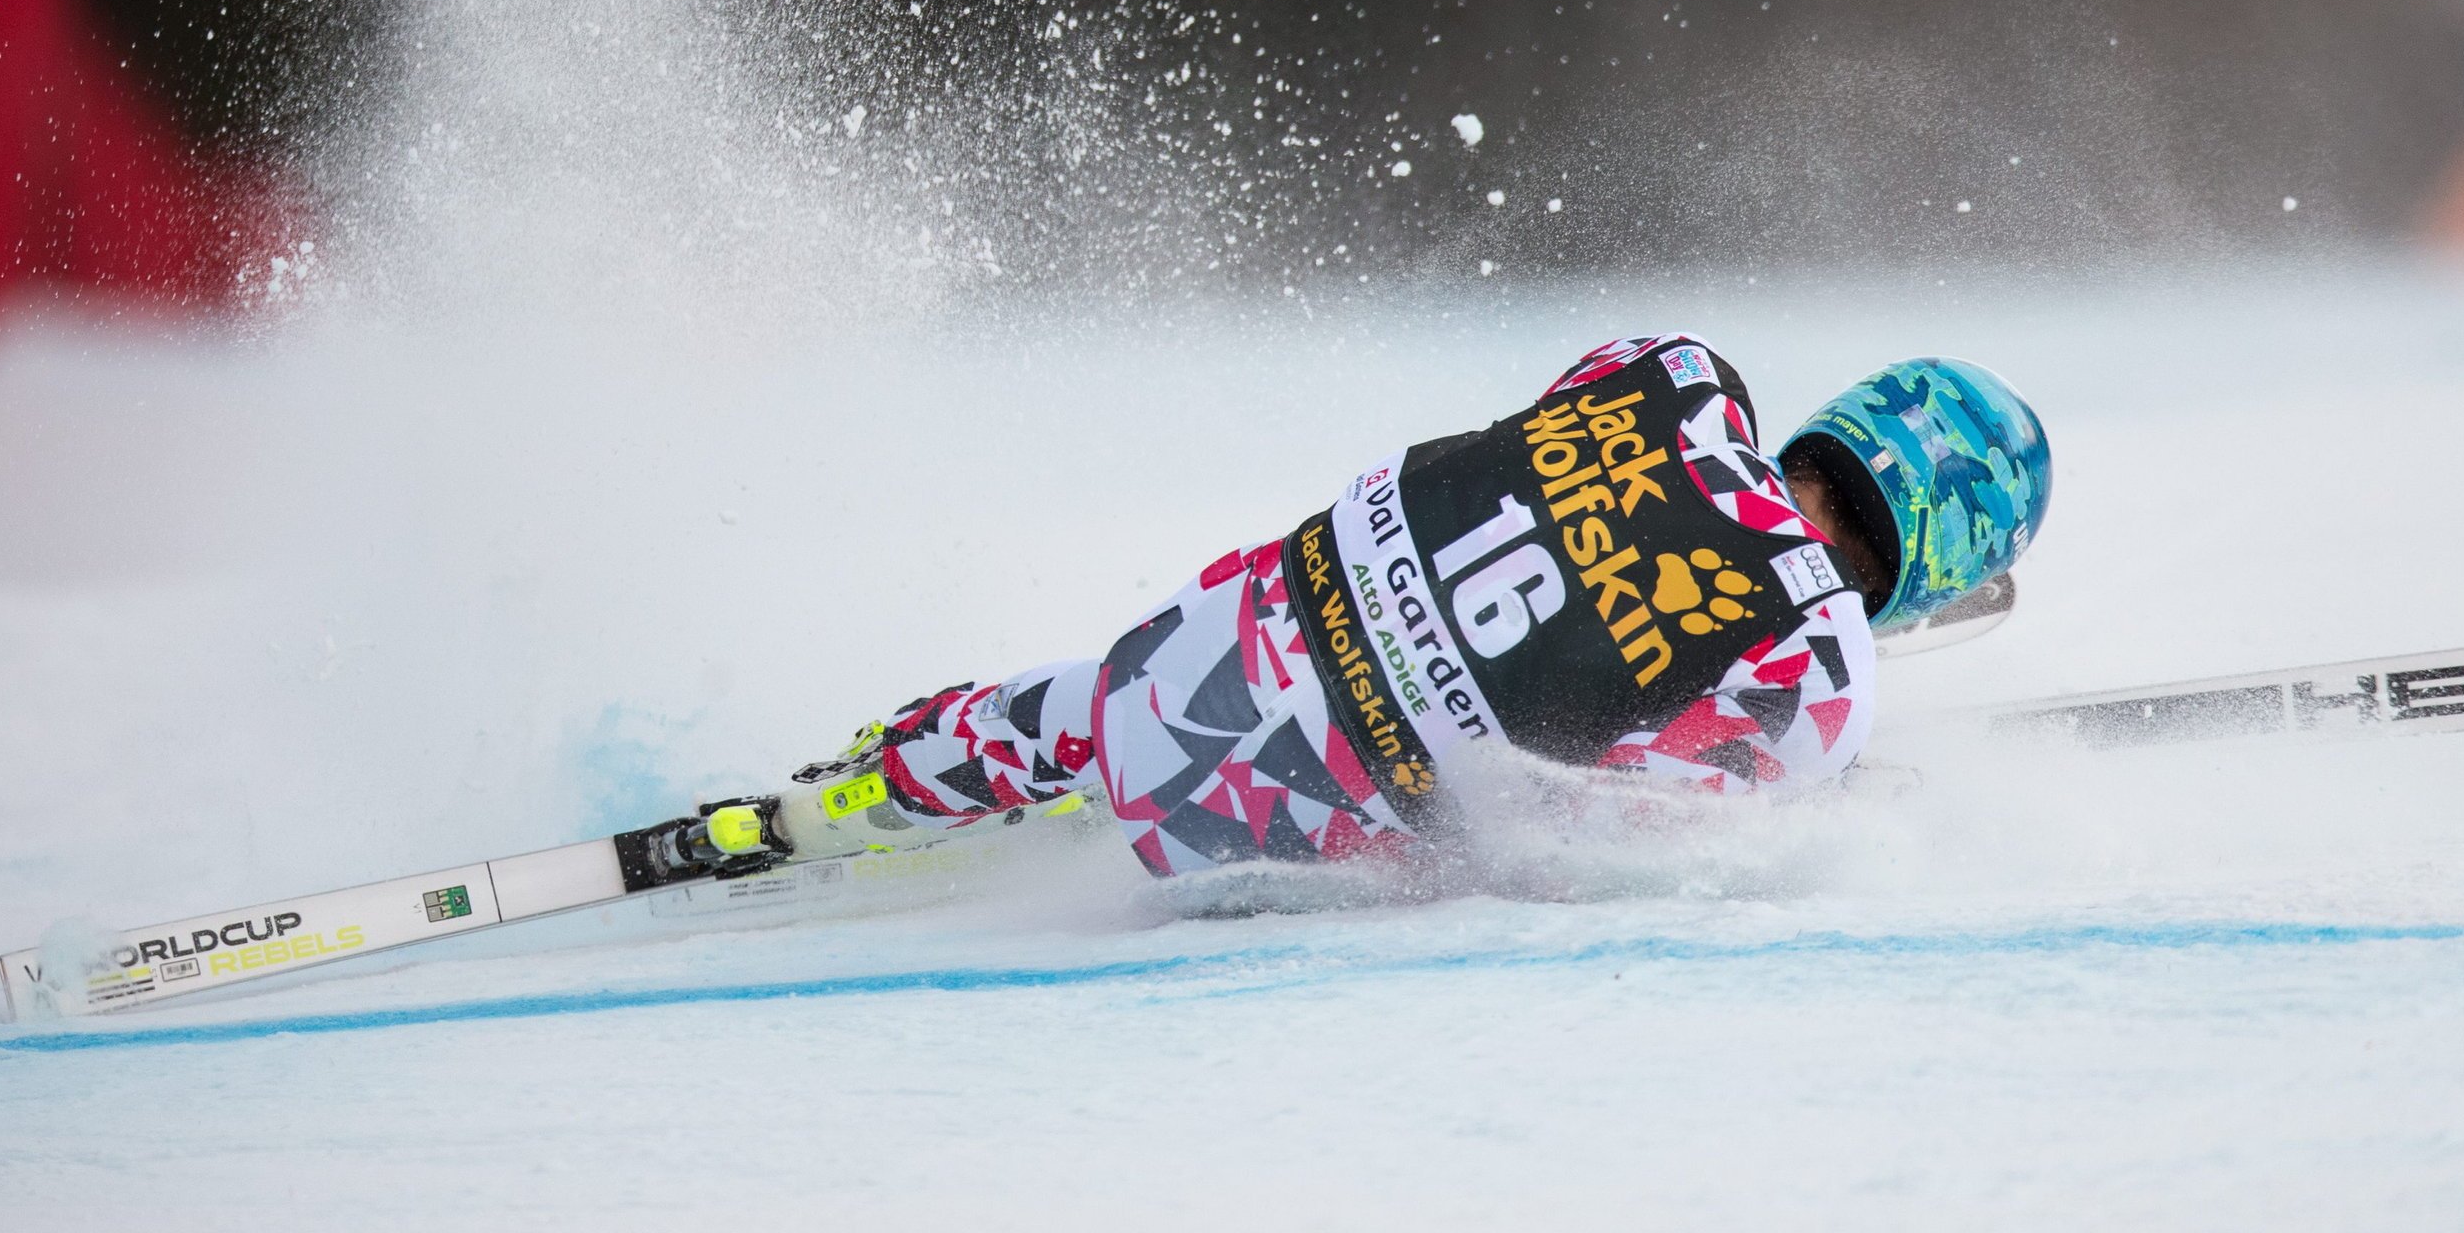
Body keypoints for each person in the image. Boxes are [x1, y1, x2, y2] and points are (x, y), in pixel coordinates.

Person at [646, 335, 2050, 883]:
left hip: (1212, 642)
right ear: (1941, 556)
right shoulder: (1814, 671)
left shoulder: (1677, 374)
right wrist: (1821, 799)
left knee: (1094, 712)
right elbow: (1605, 833)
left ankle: (832, 798)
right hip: (1285, 837)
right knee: (1388, 800)